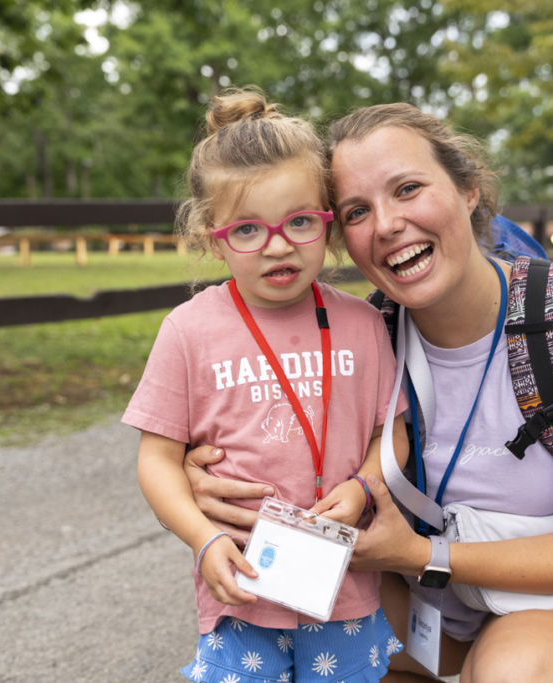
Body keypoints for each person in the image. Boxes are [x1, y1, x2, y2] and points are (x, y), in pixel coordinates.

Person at [185, 102, 553, 683]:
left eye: (408, 189)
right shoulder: (362, 337)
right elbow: (270, 436)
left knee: (515, 670)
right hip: (435, 605)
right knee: (296, 642)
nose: (385, 225)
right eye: (358, 210)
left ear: (469, 190)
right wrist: (200, 472)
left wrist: (417, 556)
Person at [122, 89, 409, 683]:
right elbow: (157, 461)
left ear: (327, 221)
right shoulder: (188, 332)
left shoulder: (361, 324)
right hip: (241, 586)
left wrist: (363, 487)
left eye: (300, 222)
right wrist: (202, 538)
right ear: (211, 235)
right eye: (248, 229)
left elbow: (392, 433)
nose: (278, 245)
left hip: (345, 586)